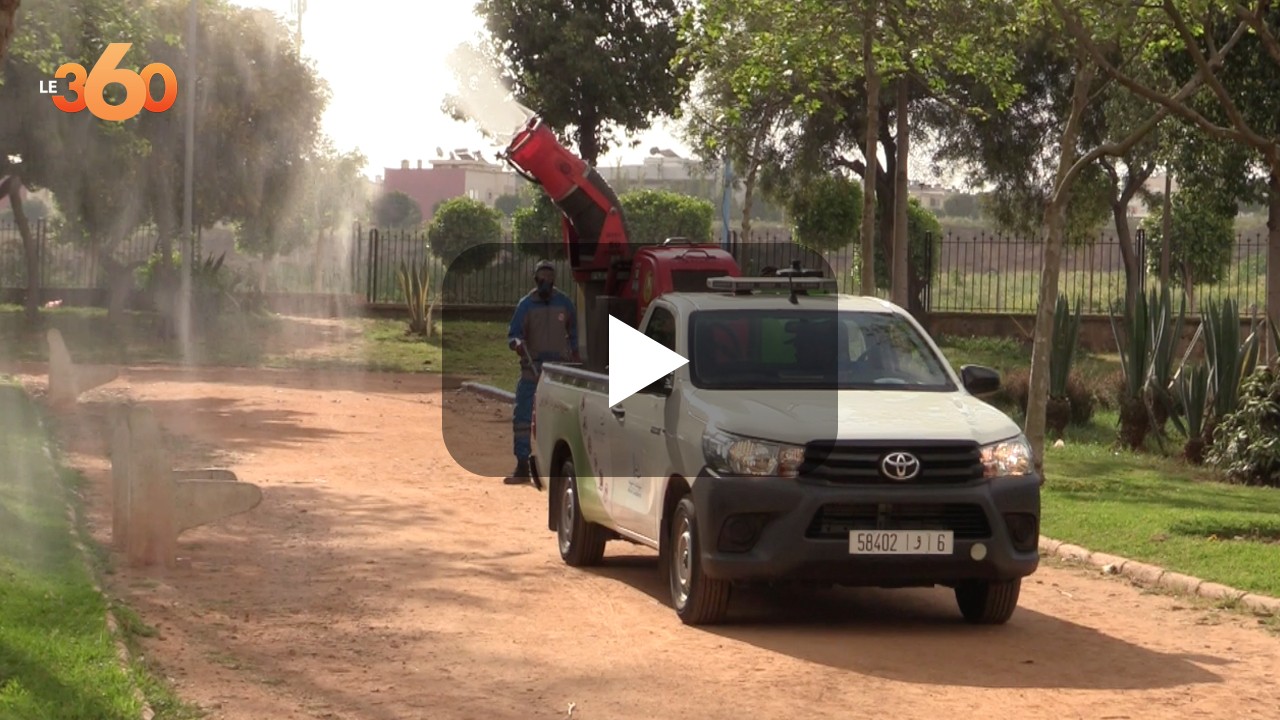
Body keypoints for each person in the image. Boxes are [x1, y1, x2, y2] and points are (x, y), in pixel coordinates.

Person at [504, 260, 578, 485]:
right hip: (532, 370)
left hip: (558, 373)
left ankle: (557, 469)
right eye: (542, 276)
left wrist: (575, 354)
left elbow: (575, 332)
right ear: (535, 279)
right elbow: (513, 334)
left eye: (549, 276)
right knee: (523, 418)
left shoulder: (564, 303)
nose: (546, 281)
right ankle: (522, 465)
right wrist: (517, 344)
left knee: (561, 420)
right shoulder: (526, 305)